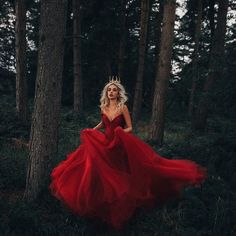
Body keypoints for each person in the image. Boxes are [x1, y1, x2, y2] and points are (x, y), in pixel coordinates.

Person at [49, 77, 207, 229]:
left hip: (118, 144)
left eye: (114, 90)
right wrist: (92, 130)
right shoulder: (103, 107)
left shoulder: (123, 107)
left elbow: (130, 128)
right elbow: (102, 123)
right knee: (95, 168)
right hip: (105, 143)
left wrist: (120, 132)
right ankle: (96, 203)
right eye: (109, 90)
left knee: (120, 174)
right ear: (106, 93)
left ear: (118, 93)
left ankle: (124, 205)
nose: (111, 92)